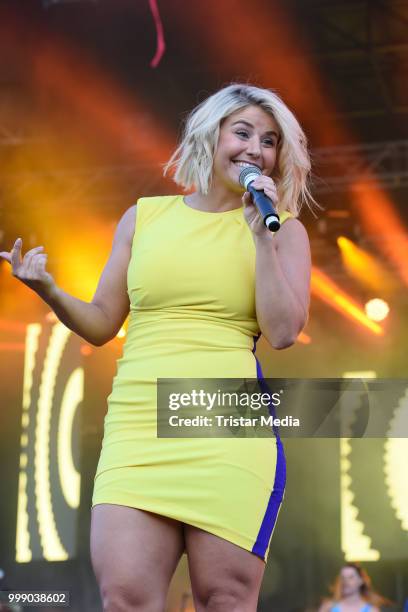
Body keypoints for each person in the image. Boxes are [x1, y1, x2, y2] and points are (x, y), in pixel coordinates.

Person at [1, 83, 313, 611]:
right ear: (209, 135)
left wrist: (260, 237)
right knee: (125, 598)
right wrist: (49, 291)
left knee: (225, 597)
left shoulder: (284, 232)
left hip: (226, 416)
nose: (255, 149)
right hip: (139, 419)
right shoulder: (143, 218)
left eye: (270, 140)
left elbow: (282, 333)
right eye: (242, 133)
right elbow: (102, 323)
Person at [318, 562, 391, 612]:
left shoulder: (372, 610)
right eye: (343, 578)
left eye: (351, 577)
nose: (346, 581)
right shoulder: (328, 607)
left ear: (361, 581)